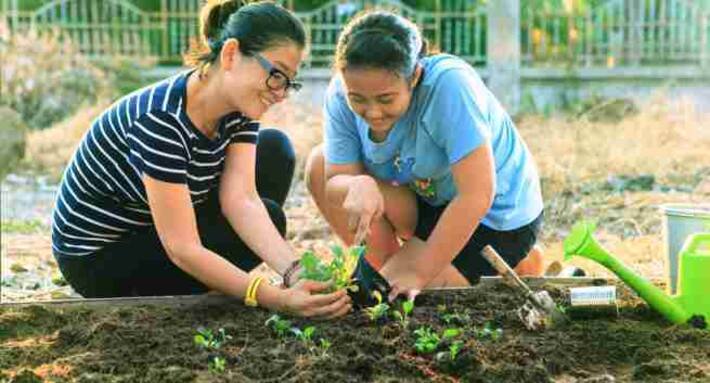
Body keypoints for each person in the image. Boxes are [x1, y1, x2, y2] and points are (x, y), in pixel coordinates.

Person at [51, 0, 351, 319]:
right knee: (270, 217)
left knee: (273, 151)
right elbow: (183, 248)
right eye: (276, 75)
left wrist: (296, 273)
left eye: (289, 82)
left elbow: (243, 200)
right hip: (100, 260)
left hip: (156, 228)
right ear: (231, 54)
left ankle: (217, 278)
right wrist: (272, 297)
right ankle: (215, 281)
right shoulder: (160, 120)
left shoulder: (239, 110)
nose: (280, 93)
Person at [305, 11, 545, 304]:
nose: (372, 112)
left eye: (385, 99)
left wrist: (418, 273)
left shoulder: (449, 86)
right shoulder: (340, 95)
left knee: (404, 297)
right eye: (358, 99)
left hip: (493, 216)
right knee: (319, 163)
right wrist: (356, 185)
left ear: (415, 76)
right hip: (428, 197)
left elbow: (477, 194)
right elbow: (333, 182)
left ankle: (518, 260)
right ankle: (386, 261)